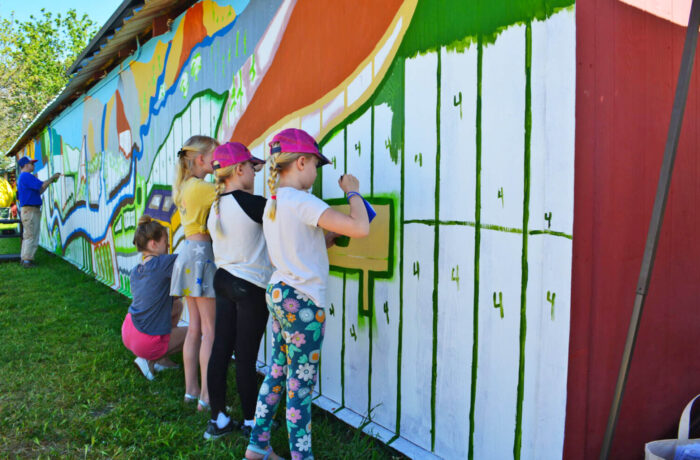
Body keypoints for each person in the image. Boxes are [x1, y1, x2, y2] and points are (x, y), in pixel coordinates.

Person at [245, 128, 370, 460]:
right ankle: (302, 456)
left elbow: (294, 247)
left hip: (280, 294)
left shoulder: (274, 202)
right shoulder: (303, 202)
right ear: (301, 162)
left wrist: (322, 242)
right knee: (299, 390)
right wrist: (353, 193)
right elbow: (360, 227)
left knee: (276, 371)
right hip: (303, 303)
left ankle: (257, 447)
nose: (317, 173)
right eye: (316, 164)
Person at [203, 142, 272, 440]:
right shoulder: (254, 203)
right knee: (245, 357)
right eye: (254, 169)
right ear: (240, 169)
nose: (256, 174)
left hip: (223, 280)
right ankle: (250, 422)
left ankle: (217, 418)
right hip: (250, 286)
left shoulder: (215, 206)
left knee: (220, 348)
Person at [170, 135, 219, 411]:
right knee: (210, 332)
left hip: (186, 254)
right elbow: (233, 194)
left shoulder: (183, 186)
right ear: (201, 159)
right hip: (201, 255)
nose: (219, 161)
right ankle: (207, 397)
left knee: (194, 329)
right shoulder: (202, 187)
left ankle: (191, 391)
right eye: (216, 155)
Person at [121, 215, 187, 380]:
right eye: (166, 242)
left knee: (177, 305)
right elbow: (190, 258)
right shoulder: (163, 262)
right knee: (194, 332)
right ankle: (149, 359)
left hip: (129, 330)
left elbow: (158, 296)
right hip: (145, 340)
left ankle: (160, 360)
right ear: (153, 243)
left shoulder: (136, 270)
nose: (169, 246)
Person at [16, 156, 60, 267]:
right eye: (32, 163)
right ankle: (27, 261)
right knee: (31, 235)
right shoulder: (26, 176)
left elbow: (39, 190)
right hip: (30, 210)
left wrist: (49, 182)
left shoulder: (23, 177)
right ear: (26, 165)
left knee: (29, 235)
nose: (34, 166)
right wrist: (52, 178)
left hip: (28, 210)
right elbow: (42, 185)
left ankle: (25, 259)